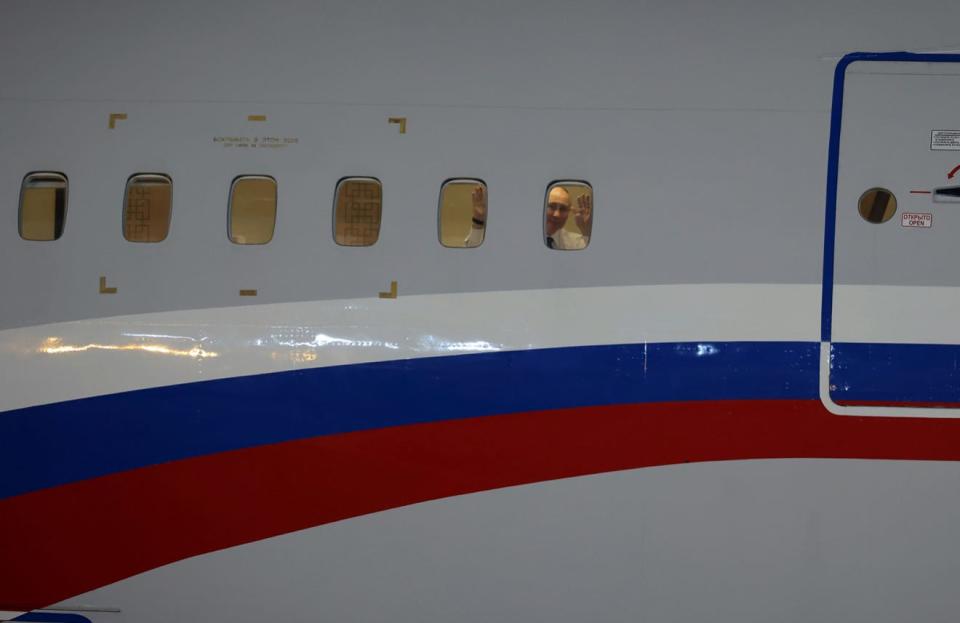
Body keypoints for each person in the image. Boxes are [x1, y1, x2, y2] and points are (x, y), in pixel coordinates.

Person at [463, 184, 592, 249]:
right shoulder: (515, 238)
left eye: (563, 209)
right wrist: (479, 219)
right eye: (551, 206)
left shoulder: (574, 243)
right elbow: (471, 252)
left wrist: (586, 230)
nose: (556, 214)